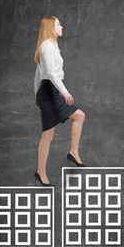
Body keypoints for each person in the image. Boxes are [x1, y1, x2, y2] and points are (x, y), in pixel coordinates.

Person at [33, 16, 87, 187]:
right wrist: (64, 92)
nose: (61, 26)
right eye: (58, 24)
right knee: (48, 135)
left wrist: (36, 94)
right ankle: (41, 173)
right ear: (50, 27)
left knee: (78, 117)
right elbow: (49, 74)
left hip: (49, 90)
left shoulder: (52, 44)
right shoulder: (47, 46)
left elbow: (37, 72)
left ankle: (73, 152)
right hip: (50, 91)